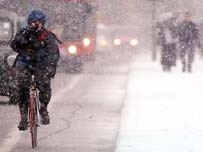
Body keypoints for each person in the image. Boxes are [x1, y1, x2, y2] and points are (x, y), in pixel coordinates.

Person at [10, 10, 60, 130]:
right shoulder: (23, 33)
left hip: (41, 66)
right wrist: (26, 36)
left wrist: (49, 68)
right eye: (32, 22)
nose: (34, 24)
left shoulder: (48, 36)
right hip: (25, 64)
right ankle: (23, 117)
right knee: (22, 87)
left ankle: (43, 109)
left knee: (44, 84)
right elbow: (14, 45)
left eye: (37, 22)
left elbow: (53, 54)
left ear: (42, 23)